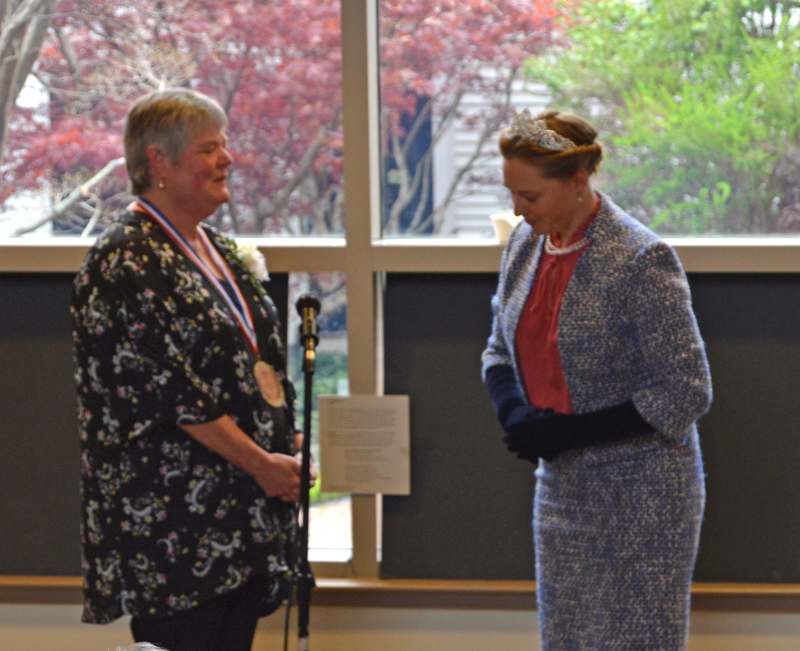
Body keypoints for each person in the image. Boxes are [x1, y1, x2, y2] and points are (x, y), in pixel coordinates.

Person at [71, 88, 314, 651]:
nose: (226, 159)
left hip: (243, 524)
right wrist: (261, 463)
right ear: (159, 160)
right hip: (176, 530)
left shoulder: (222, 251)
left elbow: (254, 368)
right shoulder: (124, 259)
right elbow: (170, 394)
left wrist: (288, 441)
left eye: (224, 145)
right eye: (209, 148)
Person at [482, 109, 712, 650]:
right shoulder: (525, 245)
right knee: (565, 639)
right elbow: (497, 348)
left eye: (531, 197)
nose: (517, 209)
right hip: (562, 486)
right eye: (512, 193)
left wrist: (571, 432)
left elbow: (687, 390)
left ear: (579, 181)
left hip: (643, 497)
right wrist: (514, 411)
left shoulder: (640, 258)